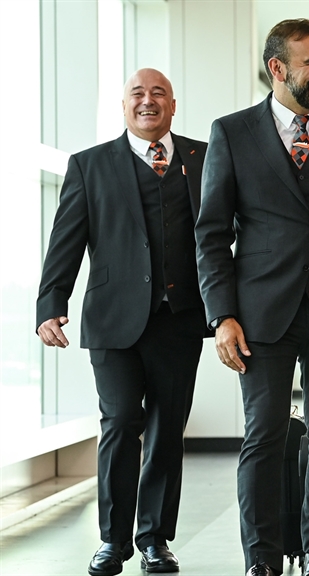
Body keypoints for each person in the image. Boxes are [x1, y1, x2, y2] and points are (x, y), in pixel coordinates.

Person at [194, 19, 309, 576]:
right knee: (264, 437)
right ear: (278, 68)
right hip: (261, 314)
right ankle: (263, 558)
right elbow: (211, 233)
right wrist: (222, 316)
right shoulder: (232, 133)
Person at [36, 68, 207, 576]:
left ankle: (155, 540)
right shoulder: (89, 165)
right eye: (138, 93)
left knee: (167, 429)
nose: (147, 101)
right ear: (124, 105)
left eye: (158, 94)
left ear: (173, 105)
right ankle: (113, 541)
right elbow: (66, 238)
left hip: (180, 318)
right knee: (119, 422)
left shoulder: (205, 158)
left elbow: (228, 233)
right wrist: (51, 302)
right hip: (113, 319)